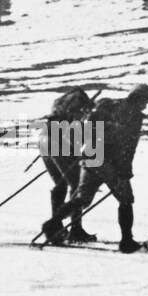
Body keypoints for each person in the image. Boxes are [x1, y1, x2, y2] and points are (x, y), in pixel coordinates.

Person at [41, 83, 148, 253]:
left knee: (82, 197)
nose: (145, 104)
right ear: (139, 98)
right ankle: (127, 241)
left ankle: (52, 224)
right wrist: (124, 173)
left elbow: (86, 124)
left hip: (91, 156)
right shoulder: (134, 117)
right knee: (126, 199)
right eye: (145, 100)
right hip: (107, 161)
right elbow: (128, 149)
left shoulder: (107, 103)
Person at [38, 87, 97, 243]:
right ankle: (74, 230)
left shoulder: (61, 102)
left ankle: (57, 228)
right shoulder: (79, 102)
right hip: (57, 138)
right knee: (77, 183)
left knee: (61, 183)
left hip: (45, 137)